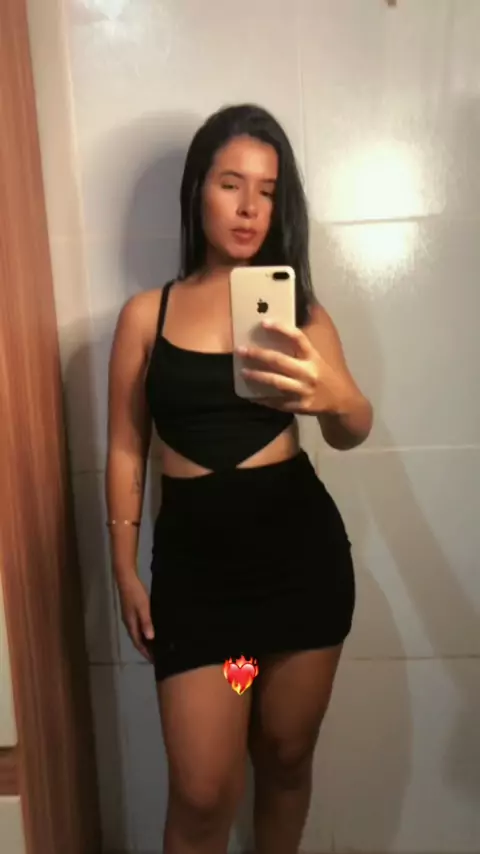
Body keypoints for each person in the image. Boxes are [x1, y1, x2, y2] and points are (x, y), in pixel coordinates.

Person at [106, 103, 373, 854]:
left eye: (267, 190)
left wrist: (335, 398)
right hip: (204, 591)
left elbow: (352, 429)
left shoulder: (299, 313)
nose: (251, 207)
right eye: (231, 184)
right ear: (198, 189)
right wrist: (123, 567)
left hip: (299, 576)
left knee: (283, 759)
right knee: (202, 791)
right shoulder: (146, 316)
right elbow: (126, 447)